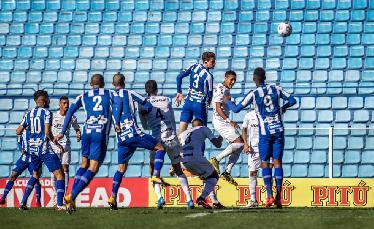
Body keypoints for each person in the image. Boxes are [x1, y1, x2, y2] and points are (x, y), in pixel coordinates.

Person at [225, 67, 296, 208]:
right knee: (277, 163)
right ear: (264, 77)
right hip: (279, 130)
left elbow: (236, 109)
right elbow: (293, 100)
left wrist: (227, 101)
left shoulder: (254, 93)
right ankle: (279, 198)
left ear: (254, 79)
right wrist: (282, 109)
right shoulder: (276, 88)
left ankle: (269, 196)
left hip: (266, 133)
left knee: (264, 163)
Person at [55, 74, 116, 213]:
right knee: (93, 167)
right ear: (103, 84)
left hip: (86, 132)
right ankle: (72, 195)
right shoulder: (109, 94)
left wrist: (63, 131)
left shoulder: (83, 95)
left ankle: (71, 199)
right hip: (99, 132)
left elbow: (70, 111)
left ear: (90, 84)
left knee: (84, 164)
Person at [107, 73, 168, 210]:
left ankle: (113, 196)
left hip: (121, 138)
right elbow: (147, 104)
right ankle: (156, 175)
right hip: (134, 133)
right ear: (124, 82)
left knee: (121, 168)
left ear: (113, 84)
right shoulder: (129, 93)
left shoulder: (109, 97)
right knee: (160, 148)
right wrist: (147, 111)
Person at [139, 80, 193, 209]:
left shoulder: (143, 104)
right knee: (178, 169)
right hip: (171, 138)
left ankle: (160, 198)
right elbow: (171, 117)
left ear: (146, 91)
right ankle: (189, 200)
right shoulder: (166, 99)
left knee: (152, 170)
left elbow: (145, 126)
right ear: (157, 89)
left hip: (157, 140)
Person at [17, 90, 65, 210]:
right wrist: (54, 141)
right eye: (47, 98)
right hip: (43, 149)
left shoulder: (28, 114)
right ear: (43, 101)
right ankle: (59, 205)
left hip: (32, 150)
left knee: (35, 175)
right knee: (60, 175)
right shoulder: (47, 113)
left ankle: (22, 203)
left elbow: (18, 131)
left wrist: (29, 132)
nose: (49, 101)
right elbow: (47, 132)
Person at [209, 71, 244, 186]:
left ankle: (227, 172)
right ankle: (216, 159)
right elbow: (218, 108)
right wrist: (230, 121)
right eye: (231, 79)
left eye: (234, 80)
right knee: (239, 143)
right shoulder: (220, 88)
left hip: (223, 121)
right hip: (220, 121)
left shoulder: (226, 89)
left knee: (240, 145)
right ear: (225, 78)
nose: (233, 82)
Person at [180, 119, 224, 209]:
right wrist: (220, 139)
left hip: (182, 161)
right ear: (202, 124)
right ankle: (202, 198)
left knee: (207, 177)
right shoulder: (204, 128)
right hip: (195, 159)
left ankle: (214, 201)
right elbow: (217, 145)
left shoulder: (184, 133)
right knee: (214, 176)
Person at [175, 51, 216, 136]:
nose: (214, 64)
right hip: (200, 104)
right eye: (212, 61)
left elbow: (179, 77)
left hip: (188, 102)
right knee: (201, 132)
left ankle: (179, 148)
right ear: (205, 62)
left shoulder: (194, 66)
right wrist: (209, 100)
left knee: (181, 129)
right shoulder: (209, 76)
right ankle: (198, 148)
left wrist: (179, 92)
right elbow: (210, 93)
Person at [50, 96, 81, 206]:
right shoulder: (53, 116)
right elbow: (47, 129)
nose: (66, 105)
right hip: (54, 146)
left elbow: (77, 127)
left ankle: (63, 196)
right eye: (64, 103)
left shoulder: (71, 116)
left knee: (65, 168)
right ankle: (55, 195)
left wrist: (78, 133)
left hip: (66, 146)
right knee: (55, 171)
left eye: (67, 103)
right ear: (59, 105)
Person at [0, 133, 42, 207]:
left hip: (34, 159)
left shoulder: (38, 132)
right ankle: (3, 198)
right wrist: (21, 149)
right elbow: (19, 143)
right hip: (23, 159)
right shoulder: (23, 132)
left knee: (36, 179)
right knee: (13, 175)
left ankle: (38, 201)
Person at [242, 110, 261, 208]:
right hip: (253, 149)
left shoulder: (268, 113)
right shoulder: (249, 115)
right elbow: (244, 129)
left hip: (266, 147)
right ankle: (253, 200)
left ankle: (270, 198)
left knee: (268, 171)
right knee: (252, 173)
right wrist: (245, 143)